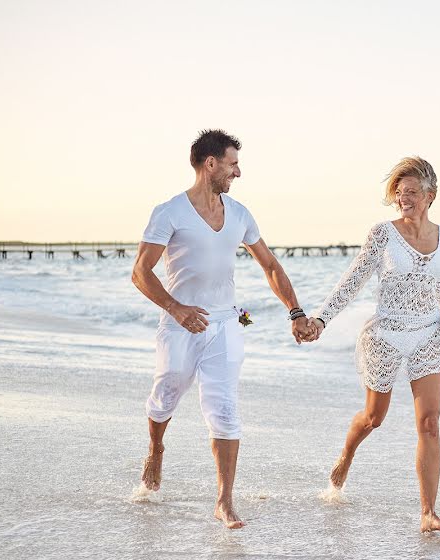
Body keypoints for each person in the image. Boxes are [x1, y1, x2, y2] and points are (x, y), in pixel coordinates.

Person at [131, 129, 314, 529]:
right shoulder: (169, 212)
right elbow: (140, 272)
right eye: (232, 164)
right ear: (209, 163)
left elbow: (270, 265)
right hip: (180, 324)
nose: (238, 172)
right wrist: (175, 308)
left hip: (225, 323)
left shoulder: (241, 214)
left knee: (225, 408)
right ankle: (157, 448)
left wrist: (295, 312)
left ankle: (224, 501)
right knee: (166, 392)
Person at [309, 156, 440, 533]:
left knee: (429, 424)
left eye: (410, 193)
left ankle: (428, 513)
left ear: (430, 196)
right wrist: (322, 319)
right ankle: (346, 454)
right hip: (386, 335)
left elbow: (437, 287)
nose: (403, 199)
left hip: (428, 334)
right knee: (374, 418)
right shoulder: (383, 233)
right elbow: (353, 279)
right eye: (398, 192)